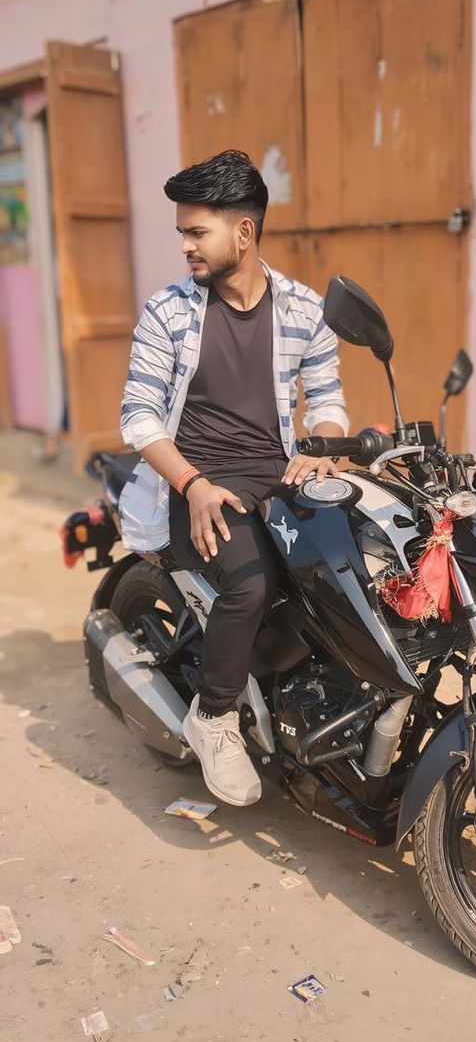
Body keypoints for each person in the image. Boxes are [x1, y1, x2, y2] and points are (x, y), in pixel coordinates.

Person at [119, 150, 348, 805]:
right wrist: (192, 485)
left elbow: (328, 403)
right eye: (183, 233)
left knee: (351, 570)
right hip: (196, 486)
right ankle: (214, 715)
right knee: (252, 586)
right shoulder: (167, 313)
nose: (186, 245)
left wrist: (323, 448)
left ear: (243, 233)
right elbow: (138, 416)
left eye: (198, 232)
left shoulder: (305, 309)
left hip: (279, 478)